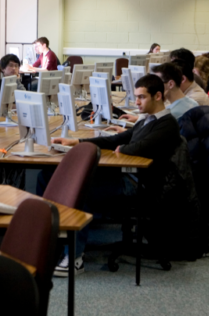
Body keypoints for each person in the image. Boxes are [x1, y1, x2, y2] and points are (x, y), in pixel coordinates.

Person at [49, 74, 182, 275]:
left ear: (157, 96)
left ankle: (74, 259)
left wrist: (123, 147)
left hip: (142, 184)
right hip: (128, 176)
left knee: (80, 191)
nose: (136, 102)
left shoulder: (167, 123)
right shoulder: (147, 119)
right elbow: (119, 140)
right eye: (136, 96)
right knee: (48, 177)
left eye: (142, 97)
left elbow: (137, 147)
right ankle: (53, 245)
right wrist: (77, 143)